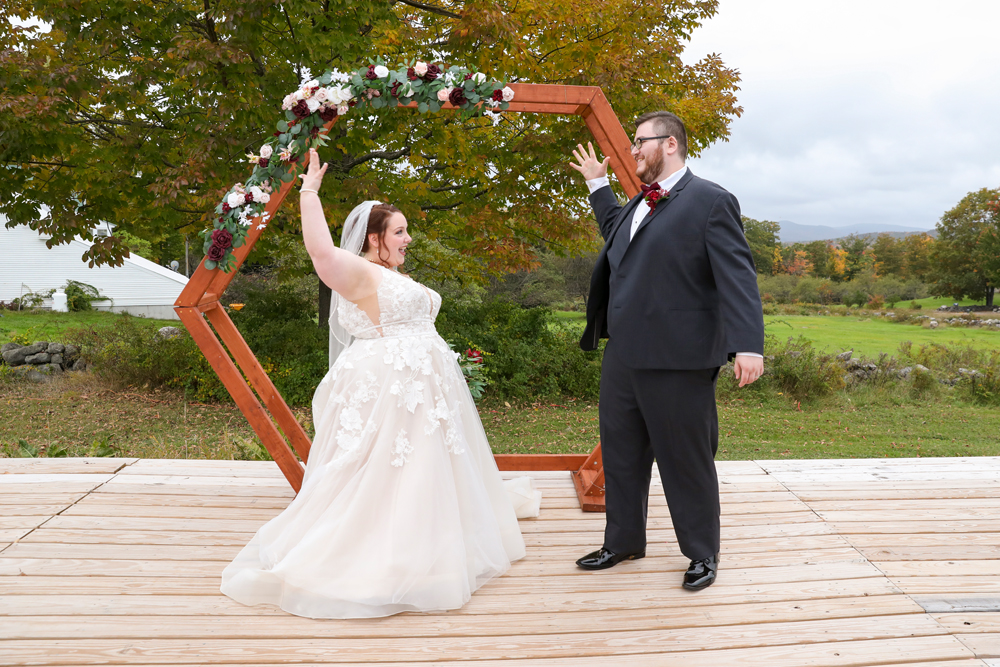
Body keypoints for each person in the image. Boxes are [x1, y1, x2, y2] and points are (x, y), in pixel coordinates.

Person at [220, 148, 527, 618]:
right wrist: (309, 193)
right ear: (374, 238)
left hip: (422, 387)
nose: (408, 239)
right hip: (391, 385)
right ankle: (389, 556)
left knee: (420, 467)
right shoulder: (358, 271)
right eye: (399, 232)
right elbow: (320, 253)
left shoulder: (389, 274)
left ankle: (430, 541)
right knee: (385, 467)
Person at [569, 111, 764, 590]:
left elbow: (737, 275)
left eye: (640, 141)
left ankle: (702, 553)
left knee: (685, 461)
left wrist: (747, 345)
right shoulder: (639, 202)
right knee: (621, 455)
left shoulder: (711, 201)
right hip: (623, 355)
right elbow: (618, 234)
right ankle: (623, 541)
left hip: (680, 359)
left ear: (670, 144)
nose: (633, 150)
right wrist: (597, 185)